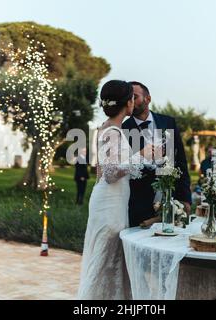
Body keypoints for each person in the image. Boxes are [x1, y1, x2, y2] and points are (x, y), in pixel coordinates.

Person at [78, 80, 152, 300]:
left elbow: (104, 171)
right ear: (128, 102)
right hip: (109, 204)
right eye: (132, 98)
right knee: (104, 261)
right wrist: (143, 154)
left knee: (112, 263)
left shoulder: (109, 127)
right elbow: (110, 173)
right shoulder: (112, 131)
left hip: (112, 201)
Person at [122, 81, 192, 227]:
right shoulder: (123, 128)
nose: (131, 101)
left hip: (171, 198)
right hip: (138, 203)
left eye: (135, 96)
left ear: (148, 99)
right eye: (129, 98)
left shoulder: (168, 122)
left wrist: (185, 198)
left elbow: (180, 161)